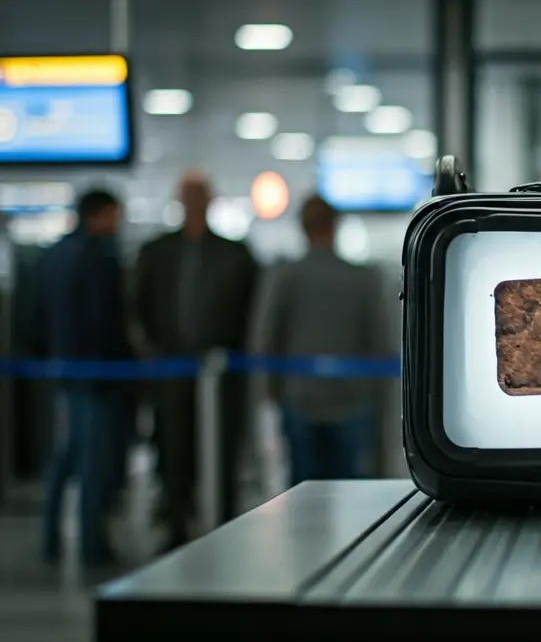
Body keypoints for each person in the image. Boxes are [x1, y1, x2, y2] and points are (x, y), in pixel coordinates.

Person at [133, 171, 259, 550]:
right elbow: (137, 308)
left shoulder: (236, 254)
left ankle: (224, 526)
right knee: (173, 450)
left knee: (222, 451)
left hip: (221, 374)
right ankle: (175, 524)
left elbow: (251, 314)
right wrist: (151, 355)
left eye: (199, 196)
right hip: (171, 372)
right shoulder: (156, 252)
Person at [250, 195, 390, 485]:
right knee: (349, 487)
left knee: (304, 488)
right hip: (353, 398)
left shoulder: (286, 276)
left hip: (300, 395)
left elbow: (268, 336)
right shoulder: (362, 278)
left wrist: (272, 391)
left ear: (302, 227)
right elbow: (378, 339)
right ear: (335, 226)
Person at [33, 188, 133, 565]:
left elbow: (36, 316)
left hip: (65, 369)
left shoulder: (52, 257)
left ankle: (51, 538)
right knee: (94, 457)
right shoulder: (99, 258)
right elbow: (102, 319)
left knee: (68, 453)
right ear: (99, 215)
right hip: (97, 371)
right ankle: (92, 543)